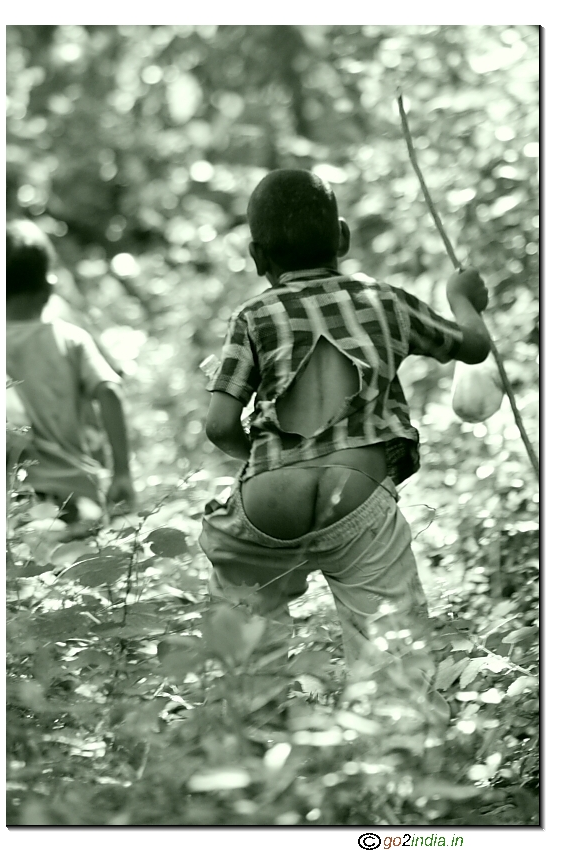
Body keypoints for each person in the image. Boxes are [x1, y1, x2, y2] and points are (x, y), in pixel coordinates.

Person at [199, 169, 490, 674]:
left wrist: (268, 463)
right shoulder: (384, 300)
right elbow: (472, 346)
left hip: (266, 500)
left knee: (244, 651)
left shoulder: (252, 316)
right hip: (356, 493)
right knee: (393, 659)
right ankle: (393, 738)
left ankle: (248, 728)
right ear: (343, 237)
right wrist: (462, 296)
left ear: (256, 257)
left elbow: (220, 425)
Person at [6, 219, 135, 524]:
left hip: (13, 498)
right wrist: (122, 472)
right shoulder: (71, 339)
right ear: (49, 286)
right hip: (75, 494)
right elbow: (110, 390)